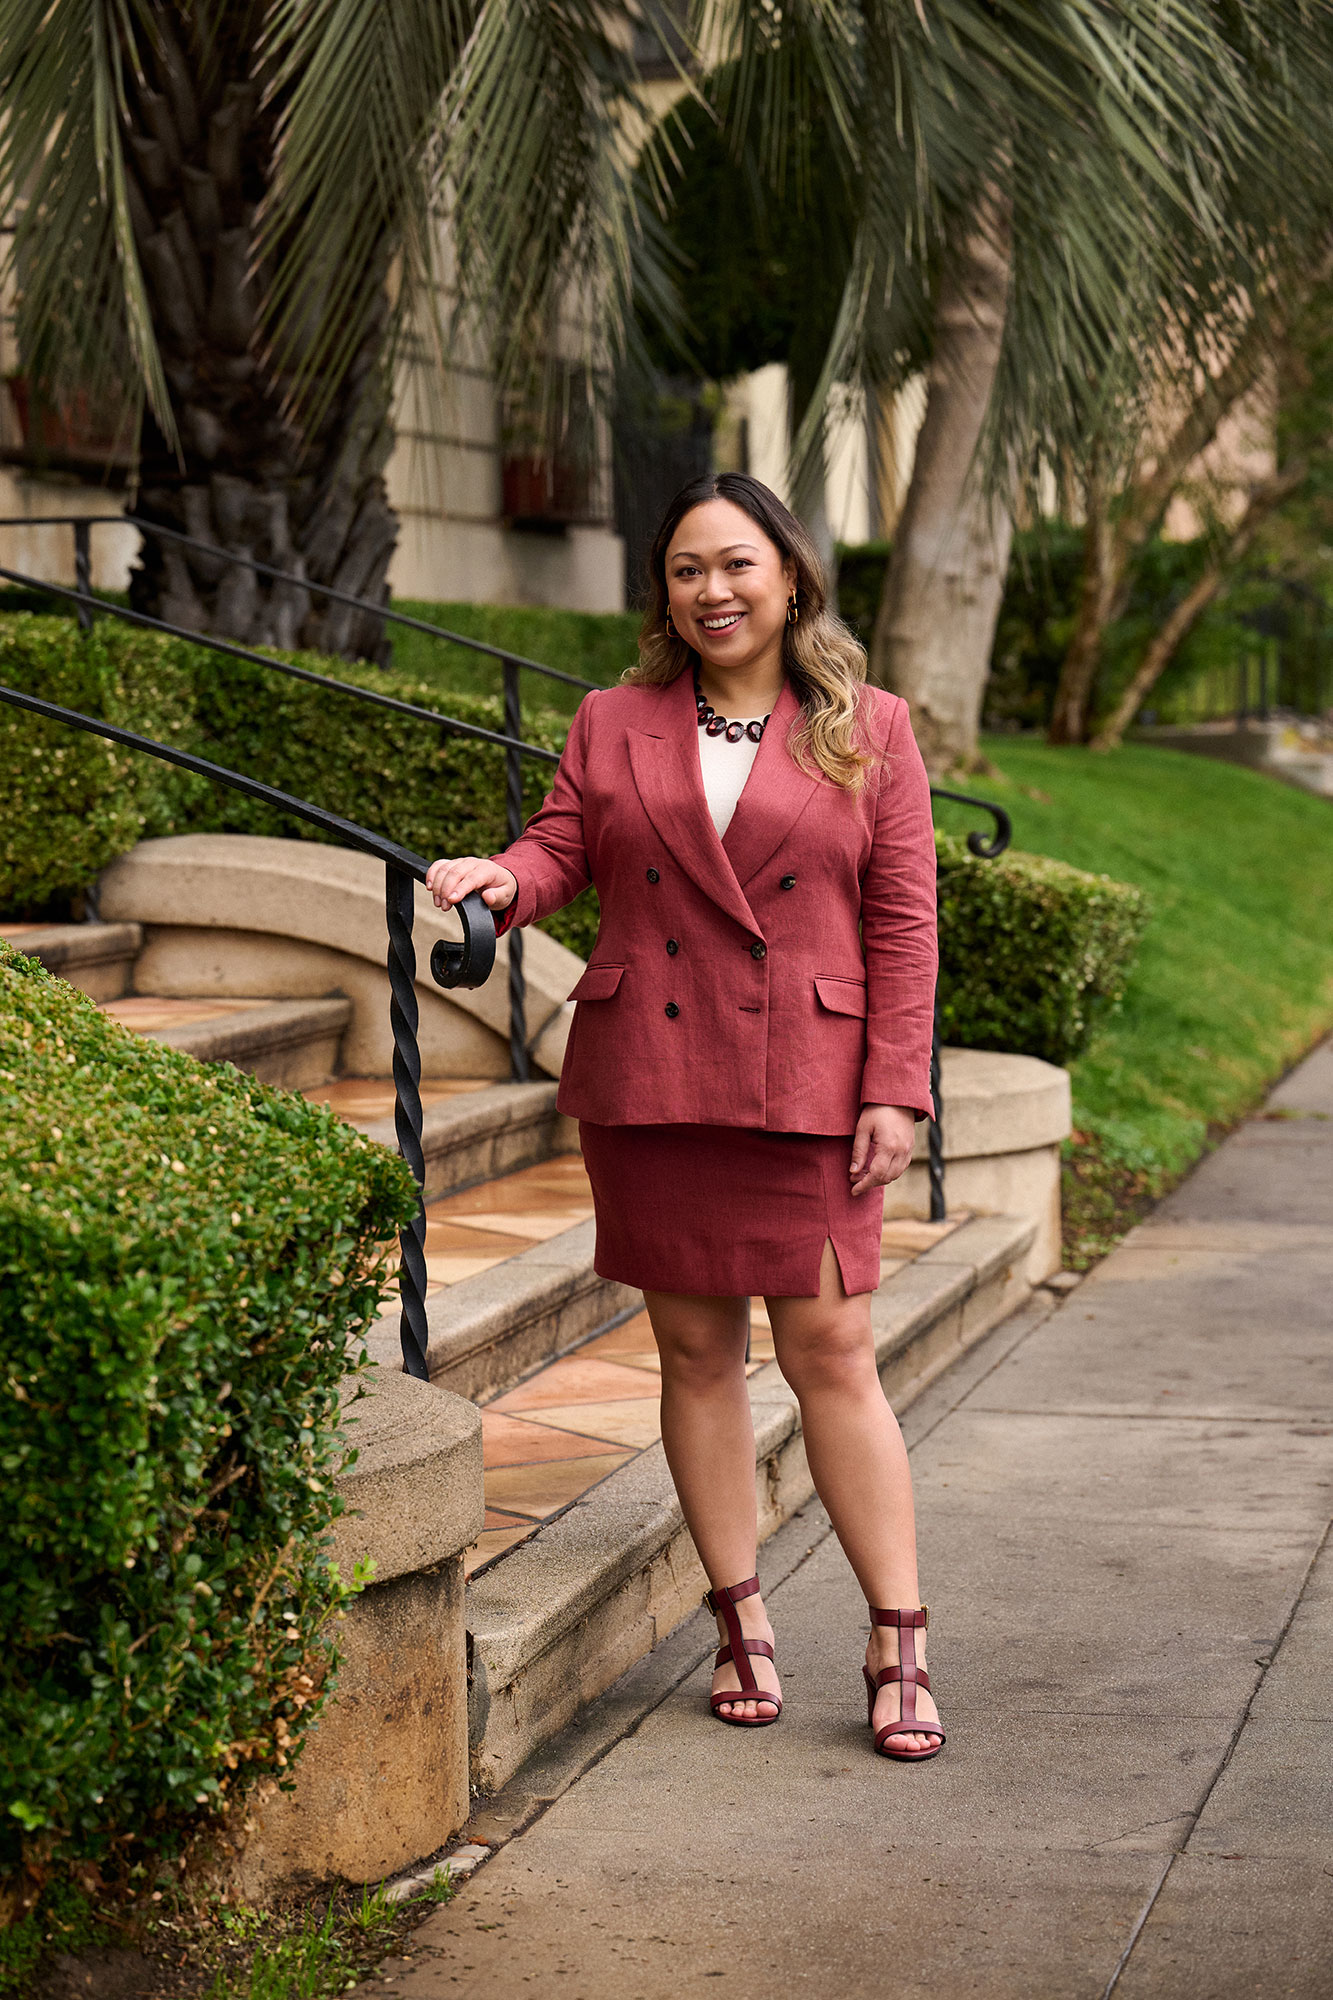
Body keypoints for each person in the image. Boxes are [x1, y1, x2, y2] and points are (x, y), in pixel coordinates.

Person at [426, 473, 944, 1760]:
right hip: (655, 1078)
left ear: (789, 576)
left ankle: (897, 1633)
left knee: (833, 1349)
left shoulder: (866, 725)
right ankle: (741, 1616)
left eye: (736, 564)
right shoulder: (614, 718)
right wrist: (507, 876)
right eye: (685, 570)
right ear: (663, 591)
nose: (711, 590)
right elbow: (562, 847)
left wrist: (896, 1082)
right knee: (696, 1356)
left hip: (808, 1082)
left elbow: (902, 920)